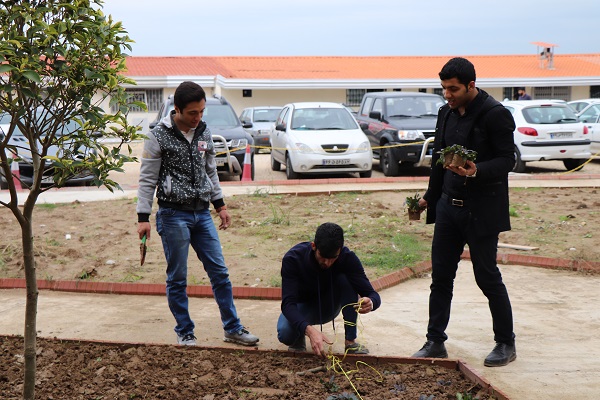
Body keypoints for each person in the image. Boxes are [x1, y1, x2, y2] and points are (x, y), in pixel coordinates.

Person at [136, 81, 259, 347]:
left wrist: (220, 205)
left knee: (220, 273)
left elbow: (210, 171)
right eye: (193, 113)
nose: (198, 117)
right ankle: (185, 331)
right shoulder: (158, 136)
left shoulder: (204, 131)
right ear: (177, 109)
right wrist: (143, 218)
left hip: (202, 214)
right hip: (172, 215)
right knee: (178, 278)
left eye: (202, 111)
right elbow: (147, 179)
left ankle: (232, 328)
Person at [412, 57, 517, 367]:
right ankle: (435, 341)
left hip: (481, 210)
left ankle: (506, 342)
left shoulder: (495, 114)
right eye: (444, 88)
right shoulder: (445, 113)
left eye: (453, 89)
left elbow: (507, 159)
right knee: (441, 277)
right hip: (448, 207)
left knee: (487, 276)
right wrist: (429, 198)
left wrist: (476, 171)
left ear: (471, 85)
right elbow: (438, 160)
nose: (447, 94)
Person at [277, 222, 381, 357]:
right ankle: (299, 336)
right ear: (313, 246)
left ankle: (350, 342)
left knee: (346, 279)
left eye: (333, 258)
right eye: (323, 257)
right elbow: (287, 304)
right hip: (302, 306)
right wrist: (309, 330)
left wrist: (371, 302)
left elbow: (373, 294)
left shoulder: (347, 258)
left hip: (329, 306)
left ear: (340, 250)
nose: (327, 263)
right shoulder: (293, 259)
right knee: (285, 333)